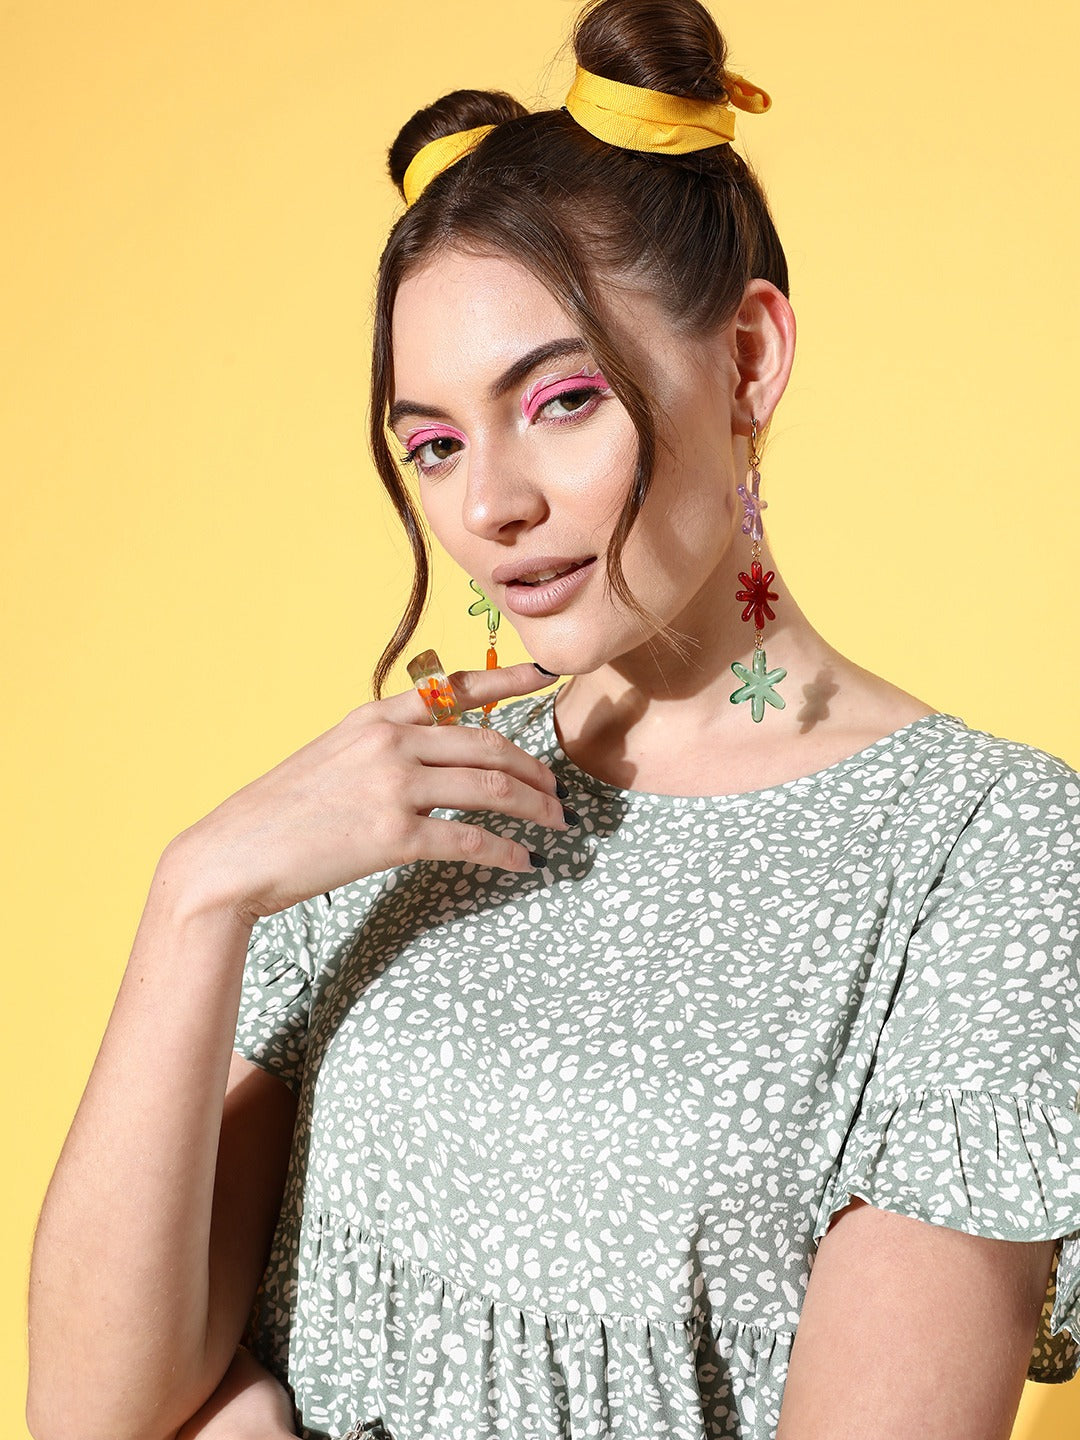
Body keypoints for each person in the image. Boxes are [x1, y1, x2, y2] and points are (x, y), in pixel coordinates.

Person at [26, 1, 1080, 1438]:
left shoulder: (985, 853)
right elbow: (93, 1409)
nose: (489, 504)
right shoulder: (396, 799)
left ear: (748, 357)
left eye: (565, 400)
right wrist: (197, 893)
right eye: (435, 441)